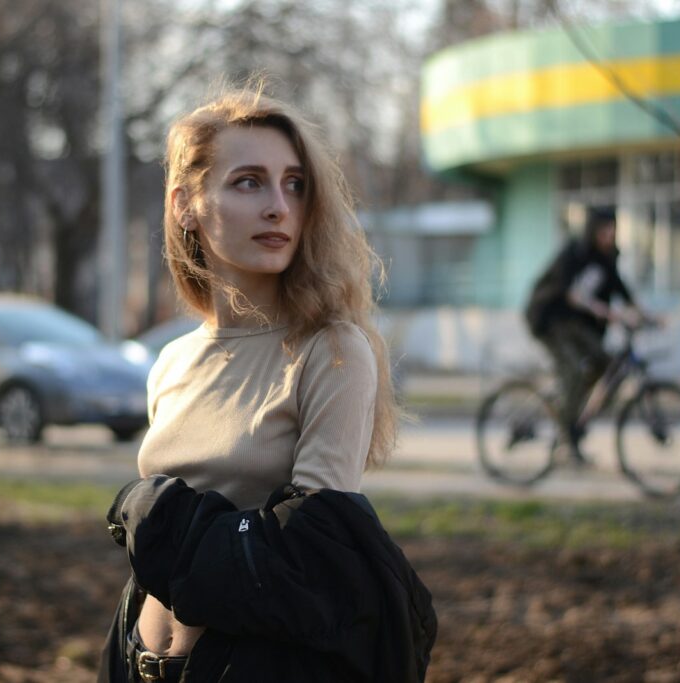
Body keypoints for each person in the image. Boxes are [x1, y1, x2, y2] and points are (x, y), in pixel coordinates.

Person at [99, 86, 436, 682]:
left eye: (294, 184)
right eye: (249, 181)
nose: (279, 206)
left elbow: (309, 561)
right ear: (186, 204)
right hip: (137, 662)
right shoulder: (172, 362)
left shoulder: (331, 350)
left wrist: (155, 519)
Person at [525, 208, 651, 462]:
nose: (608, 235)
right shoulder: (574, 254)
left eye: (612, 230)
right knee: (572, 371)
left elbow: (624, 294)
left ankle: (575, 421)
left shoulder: (607, 260)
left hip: (577, 327)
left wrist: (649, 318)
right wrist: (604, 311)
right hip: (550, 321)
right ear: (592, 230)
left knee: (607, 365)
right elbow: (570, 293)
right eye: (604, 230)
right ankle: (565, 430)